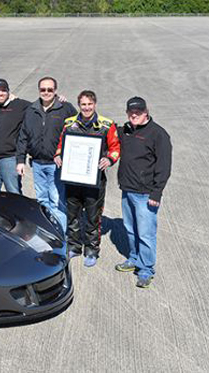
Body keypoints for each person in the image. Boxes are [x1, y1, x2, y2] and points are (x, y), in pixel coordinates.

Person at [54, 90, 120, 267]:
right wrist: (58, 155)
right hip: (73, 177)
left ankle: (91, 250)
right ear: (79, 105)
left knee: (93, 215)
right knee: (72, 214)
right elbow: (61, 144)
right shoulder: (69, 123)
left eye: (90, 104)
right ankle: (74, 247)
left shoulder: (106, 124)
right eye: (83, 104)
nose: (87, 108)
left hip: (95, 179)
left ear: (95, 104)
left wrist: (109, 159)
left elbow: (115, 147)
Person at [114, 97, 172, 288]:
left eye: (138, 112)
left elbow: (164, 166)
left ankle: (146, 269)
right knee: (130, 230)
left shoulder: (158, 134)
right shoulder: (126, 131)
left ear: (146, 111)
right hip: (127, 190)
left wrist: (157, 193)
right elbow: (104, 127)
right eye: (131, 112)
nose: (134, 115)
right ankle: (133, 259)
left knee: (146, 234)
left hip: (145, 194)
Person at [17, 77, 77, 230]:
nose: (46, 92)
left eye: (50, 89)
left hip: (56, 165)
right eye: (43, 89)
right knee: (42, 200)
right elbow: (23, 136)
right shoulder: (31, 110)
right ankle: (48, 233)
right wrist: (20, 160)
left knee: (57, 201)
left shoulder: (65, 108)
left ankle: (61, 236)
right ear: (39, 91)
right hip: (37, 163)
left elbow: (78, 130)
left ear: (55, 91)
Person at [0, 78, 31, 194]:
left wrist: (57, 99)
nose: (0, 93)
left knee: (13, 192)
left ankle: (16, 212)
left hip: (9, 158)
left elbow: (41, 106)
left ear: (9, 92)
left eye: (4, 90)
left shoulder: (19, 105)